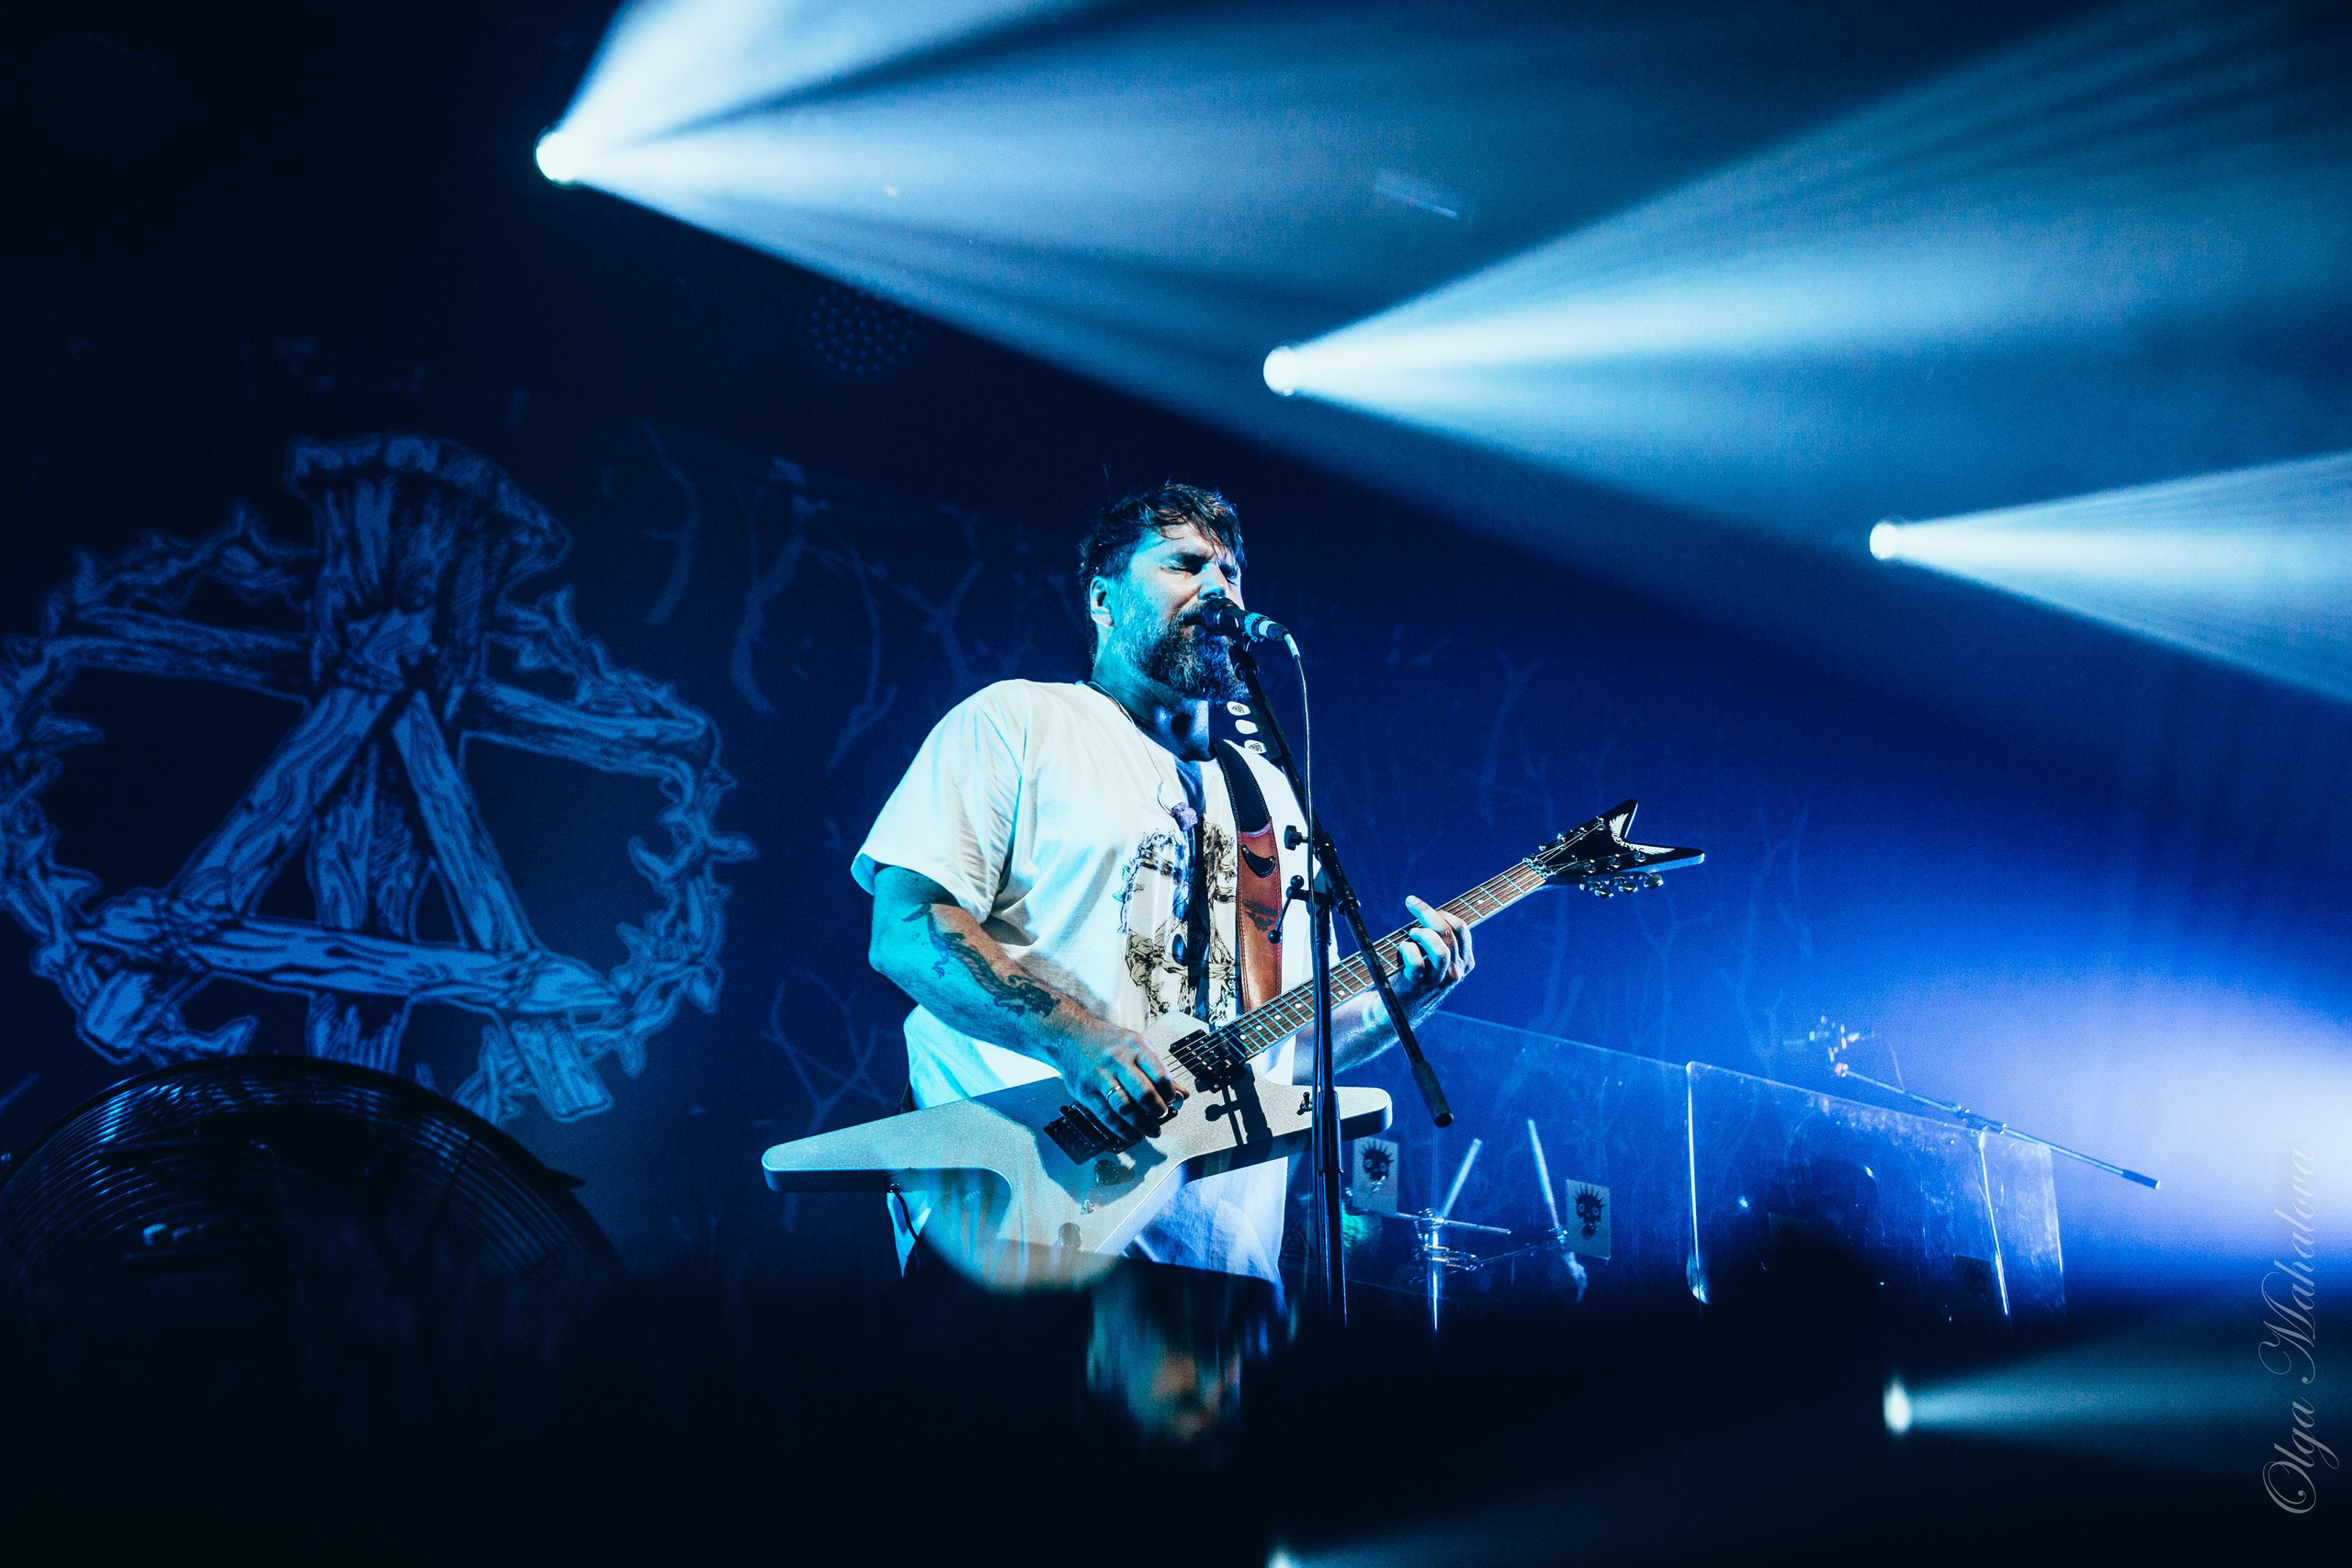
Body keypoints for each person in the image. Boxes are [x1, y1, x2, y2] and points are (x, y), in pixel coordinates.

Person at [854, 483, 1473, 1280]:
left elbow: (1289, 1041)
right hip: (1021, 1227)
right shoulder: (1017, 722)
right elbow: (905, 928)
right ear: (1103, 599)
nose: (1219, 587)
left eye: (1232, 571)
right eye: (1185, 563)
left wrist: (1402, 1001)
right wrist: (1077, 1038)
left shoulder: (1271, 794)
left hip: (1220, 1263)